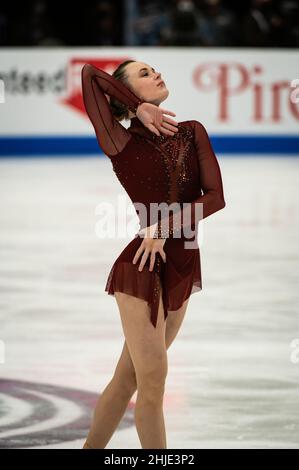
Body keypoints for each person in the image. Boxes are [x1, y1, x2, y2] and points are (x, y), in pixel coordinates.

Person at [80, 60, 226, 449]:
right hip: (141, 266)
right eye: (144, 74)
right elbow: (90, 76)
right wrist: (137, 108)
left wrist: (163, 227)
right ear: (125, 92)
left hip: (182, 263)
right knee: (153, 384)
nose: (157, 74)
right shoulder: (119, 141)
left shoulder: (191, 131)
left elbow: (215, 198)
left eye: (155, 69)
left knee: (128, 379)